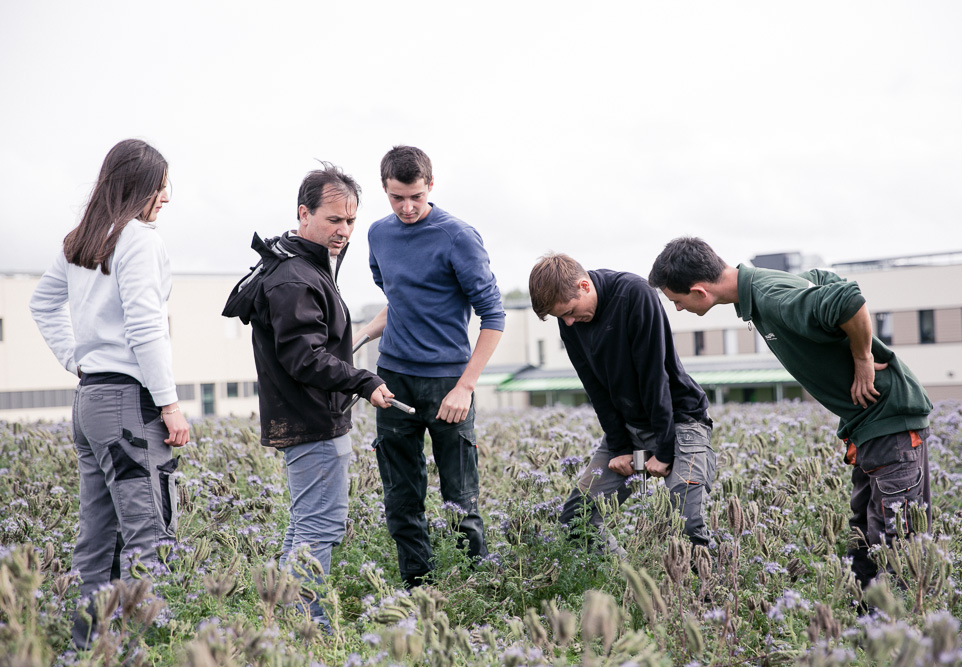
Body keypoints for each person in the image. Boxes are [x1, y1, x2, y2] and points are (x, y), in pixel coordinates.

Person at [648, 236, 933, 591]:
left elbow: (849, 299)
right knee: (864, 538)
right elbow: (826, 280)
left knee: (898, 544)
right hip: (867, 427)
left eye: (676, 301)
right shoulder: (766, 289)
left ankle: (907, 631)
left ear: (699, 291)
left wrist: (862, 360)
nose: (677, 309)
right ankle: (868, 630)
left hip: (890, 422)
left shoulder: (771, 296)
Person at [29, 139, 189, 649]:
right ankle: (148, 653)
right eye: (161, 185)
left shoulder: (83, 238)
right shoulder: (138, 240)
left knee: (95, 545)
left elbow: (41, 303)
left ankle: (84, 652)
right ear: (142, 186)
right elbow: (146, 328)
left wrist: (77, 360)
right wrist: (169, 403)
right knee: (148, 538)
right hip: (127, 408)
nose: (166, 196)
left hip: (90, 403)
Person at [224, 162, 393, 623]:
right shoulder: (295, 276)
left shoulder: (299, 266)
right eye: (334, 220)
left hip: (310, 419)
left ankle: (278, 624)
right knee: (318, 529)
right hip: (312, 422)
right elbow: (305, 358)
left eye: (351, 221)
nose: (344, 231)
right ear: (304, 214)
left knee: (304, 527)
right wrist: (365, 380)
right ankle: (307, 631)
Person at [355, 146, 505, 588]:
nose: (407, 207)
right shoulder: (378, 235)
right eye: (397, 198)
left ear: (431, 186)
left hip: (447, 383)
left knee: (460, 499)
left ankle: (475, 592)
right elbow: (397, 303)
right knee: (401, 498)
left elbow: (493, 316)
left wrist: (466, 387)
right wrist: (356, 341)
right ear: (385, 190)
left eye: (416, 197)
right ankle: (416, 592)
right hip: (393, 380)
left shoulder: (458, 236)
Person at [528, 253, 716, 554]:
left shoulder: (634, 294)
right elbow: (596, 390)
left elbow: (654, 378)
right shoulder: (571, 323)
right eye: (561, 317)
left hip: (680, 423)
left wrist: (664, 452)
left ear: (584, 286)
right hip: (632, 432)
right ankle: (625, 584)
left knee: (685, 524)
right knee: (577, 519)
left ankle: (706, 598)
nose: (569, 321)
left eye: (570, 311)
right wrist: (620, 449)